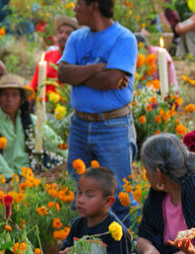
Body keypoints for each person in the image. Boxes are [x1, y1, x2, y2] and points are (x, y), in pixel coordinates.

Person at [57, 0, 138, 226]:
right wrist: (97, 67)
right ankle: (80, 251)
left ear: (93, 5)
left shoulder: (124, 39)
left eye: (78, 3)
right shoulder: (76, 38)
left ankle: (126, 250)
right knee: (79, 192)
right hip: (80, 125)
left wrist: (80, 75)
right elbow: (62, 74)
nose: (74, 8)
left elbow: (111, 80)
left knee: (119, 195)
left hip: (112, 126)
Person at [0, 74, 63, 179]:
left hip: (28, 174)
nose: (9, 99)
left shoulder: (30, 120)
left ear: (21, 99)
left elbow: (55, 142)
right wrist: (13, 180)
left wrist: (71, 157)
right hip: (2, 176)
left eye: (14, 95)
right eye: (5, 95)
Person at [29, 15, 79, 93]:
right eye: (60, 32)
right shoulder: (47, 57)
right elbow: (33, 85)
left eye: (68, 33)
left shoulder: (79, 60)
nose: (63, 36)